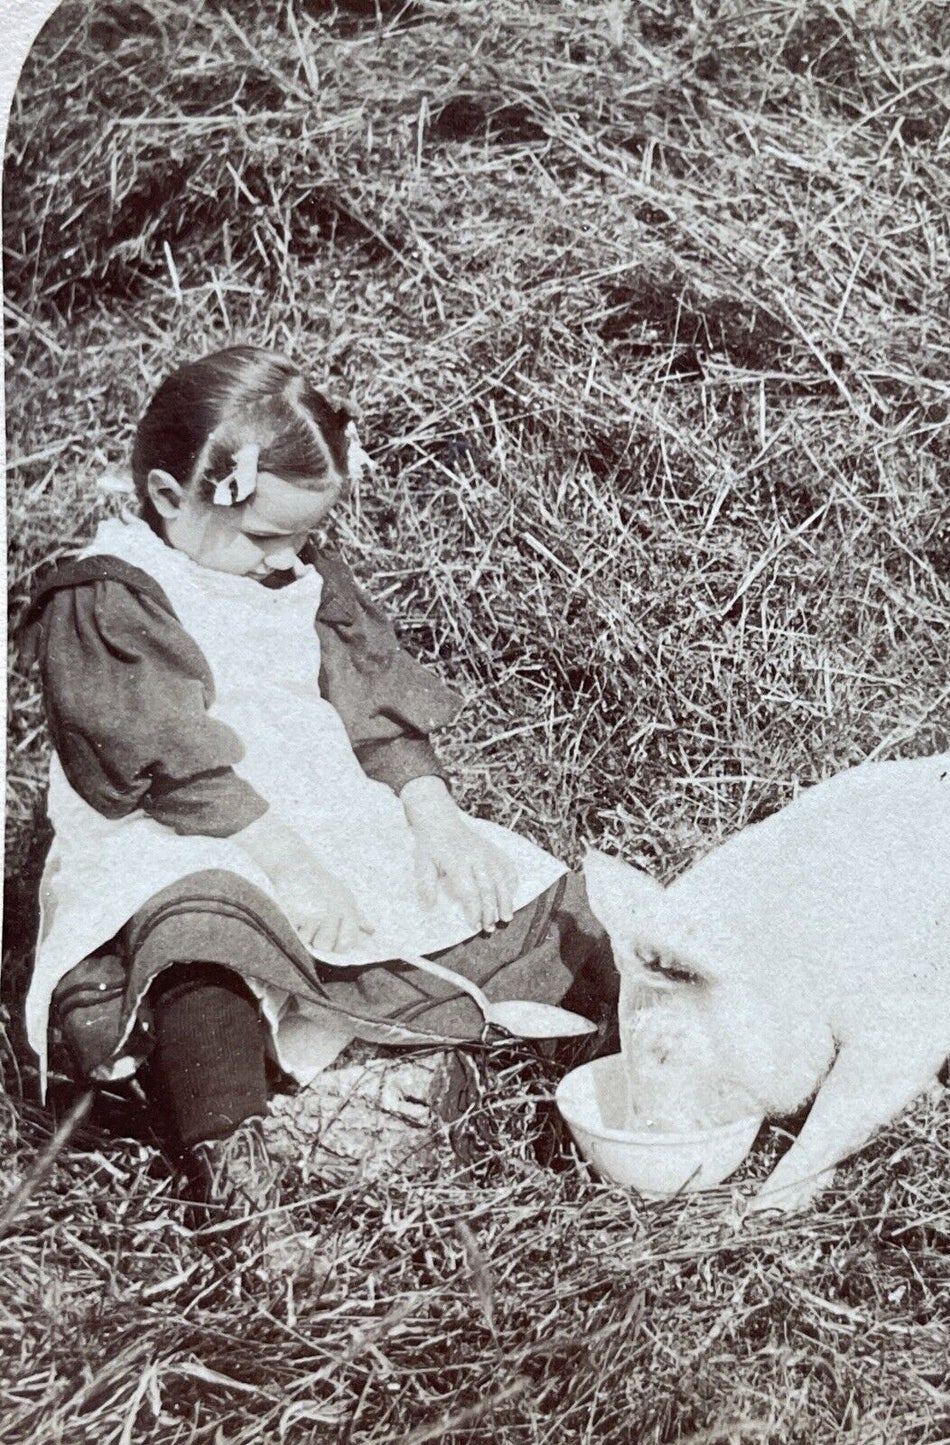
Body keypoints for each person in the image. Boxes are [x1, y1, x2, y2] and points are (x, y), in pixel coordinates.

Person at [18, 345, 617, 1231]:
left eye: (301, 536)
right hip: (188, 827)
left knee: (542, 897)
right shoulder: (113, 596)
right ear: (168, 497)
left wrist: (435, 816)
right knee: (201, 934)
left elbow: (373, 713)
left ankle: (641, 1055)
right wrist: (294, 872)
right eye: (264, 536)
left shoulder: (295, 573)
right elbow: (171, 764)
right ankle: (236, 1166)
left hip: (321, 806)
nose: (285, 559)